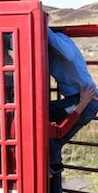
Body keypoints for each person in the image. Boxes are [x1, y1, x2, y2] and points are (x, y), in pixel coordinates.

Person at [48, 27, 98, 193]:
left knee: (41, 113)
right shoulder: (50, 54)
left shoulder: (59, 39)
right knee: (53, 141)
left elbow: (68, 53)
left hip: (84, 100)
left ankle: (54, 185)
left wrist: (42, 28)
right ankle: (54, 185)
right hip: (78, 100)